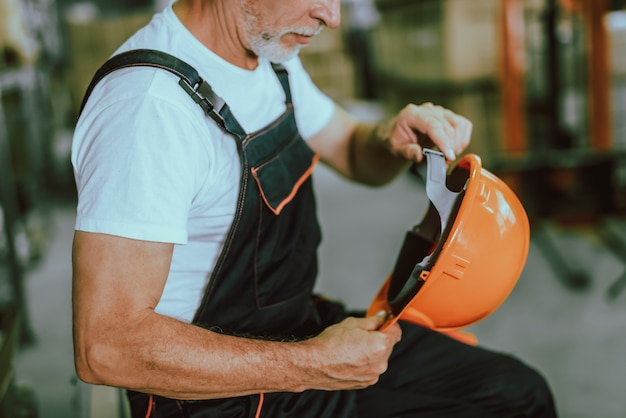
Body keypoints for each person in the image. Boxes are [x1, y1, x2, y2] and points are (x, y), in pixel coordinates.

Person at [71, 0, 558, 416]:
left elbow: (350, 149)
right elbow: (107, 347)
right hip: (215, 396)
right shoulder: (148, 108)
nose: (333, 16)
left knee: (515, 393)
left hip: (294, 331)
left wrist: (389, 138)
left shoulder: (267, 52)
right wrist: (313, 364)